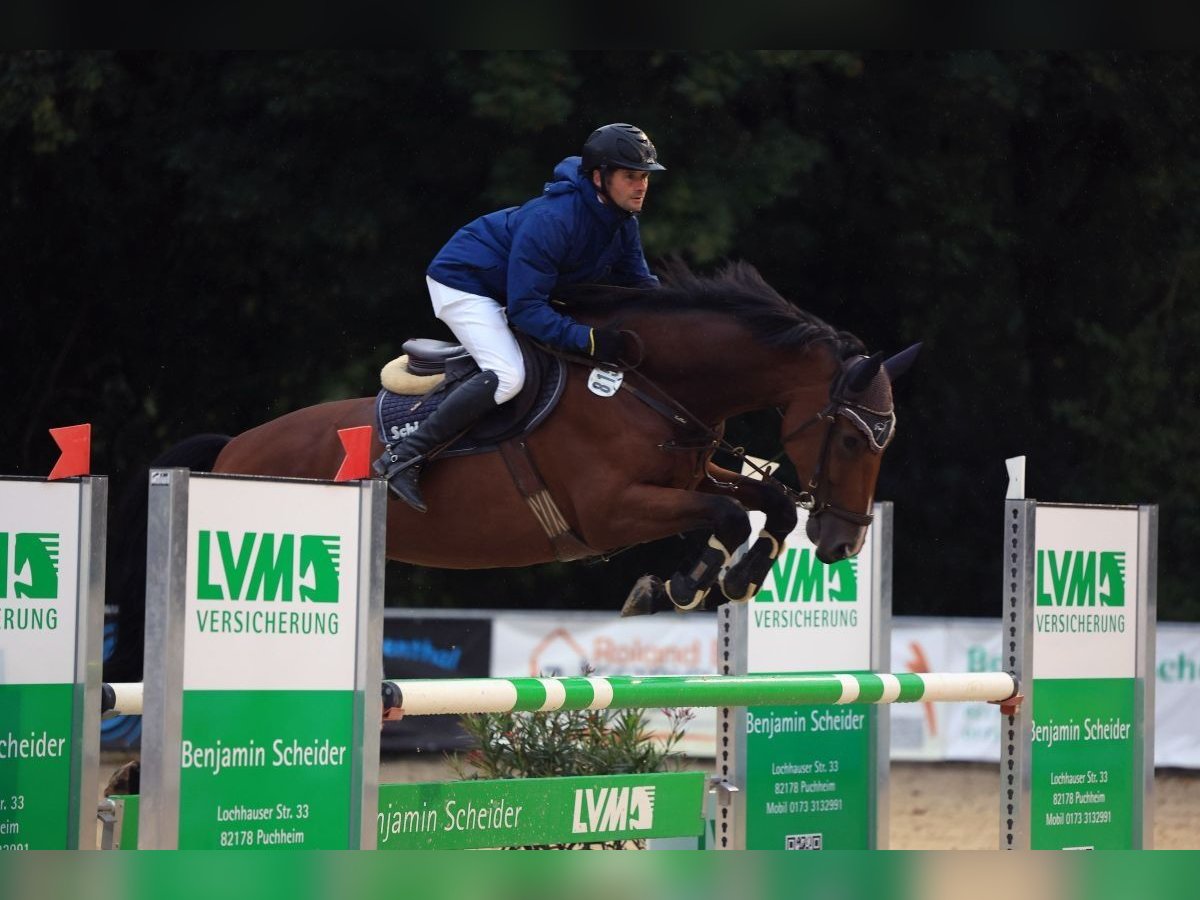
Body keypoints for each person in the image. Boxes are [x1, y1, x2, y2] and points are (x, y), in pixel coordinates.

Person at [376, 123, 666, 511]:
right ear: (599, 177)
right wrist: (591, 340)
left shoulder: (621, 223)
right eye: (631, 176)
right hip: (463, 282)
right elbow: (527, 311)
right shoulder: (554, 220)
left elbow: (640, 287)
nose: (641, 185)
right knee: (509, 376)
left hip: (509, 290)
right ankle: (402, 459)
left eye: (644, 176)